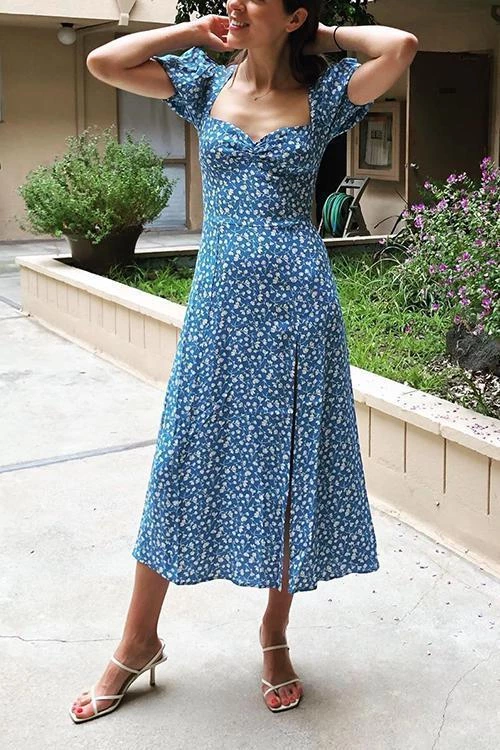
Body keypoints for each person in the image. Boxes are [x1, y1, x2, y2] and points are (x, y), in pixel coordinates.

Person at [70, 1, 418, 722]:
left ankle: (274, 631)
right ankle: (138, 641)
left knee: (288, 463)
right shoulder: (202, 83)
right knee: (184, 459)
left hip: (299, 308)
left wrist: (321, 36)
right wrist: (192, 33)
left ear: (292, 17)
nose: (233, 4)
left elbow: (401, 45)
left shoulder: (326, 95)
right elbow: (102, 62)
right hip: (219, 308)